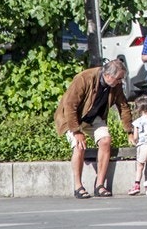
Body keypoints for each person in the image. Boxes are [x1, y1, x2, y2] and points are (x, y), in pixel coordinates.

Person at [54, 60, 133, 199]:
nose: (120, 81)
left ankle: (100, 185)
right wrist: (76, 131)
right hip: (74, 117)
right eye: (119, 78)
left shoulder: (116, 85)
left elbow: (123, 106)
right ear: (108, 75)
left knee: (105, 140)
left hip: (94, 117)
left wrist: (129, 131)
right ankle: (78, 186)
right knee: (79, 146)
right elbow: (70, 105)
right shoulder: (84, 78)